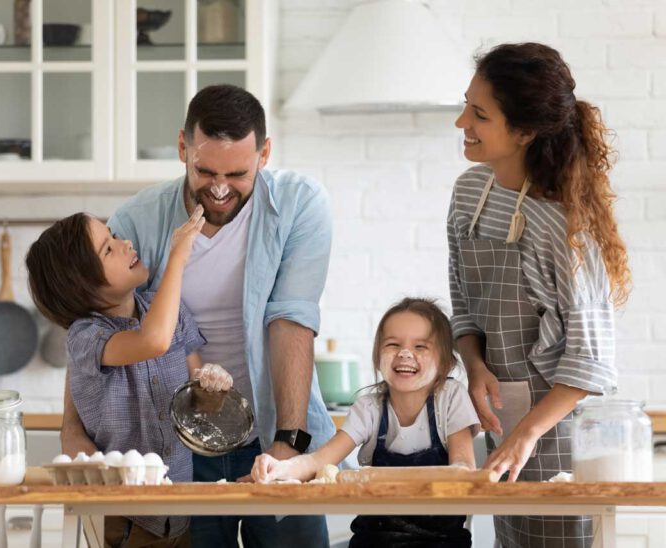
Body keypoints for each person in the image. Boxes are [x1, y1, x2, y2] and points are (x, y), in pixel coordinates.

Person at [60, 84, 334, 547]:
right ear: (183, 148)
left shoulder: (299, 205)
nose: (220, 188)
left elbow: (291, 320)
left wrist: (288, 442)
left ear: (265, 154)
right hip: (179, 447)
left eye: (238, 173)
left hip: (277, 432)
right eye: (205, 171)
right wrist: (71, 429)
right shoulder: (137, 221)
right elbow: (95, 326)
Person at [448, 42, 631, 547]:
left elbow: (591, 360)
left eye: (480, 114)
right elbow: (462, 304)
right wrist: (475, 366)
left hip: (558, 437)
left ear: (524, 132)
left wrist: (525, 434)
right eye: (466, 105)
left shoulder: (561, 226)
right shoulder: (468, 194)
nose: (462, 122)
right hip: (501, 421)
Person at [25, 206, 234, 547]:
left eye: (115, 236)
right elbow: (152, 342)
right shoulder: (86, 338)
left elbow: (198, 404)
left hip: (180, 512)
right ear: (82, 285)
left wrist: (212, 387)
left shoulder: (172, 312)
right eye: (108, 249)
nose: (126, 244)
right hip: (124, 520)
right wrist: (178, 257)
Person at [252, 298, 480, 548]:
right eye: (393, 344)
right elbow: (319, 460)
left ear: (446, 363)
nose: (405, 353)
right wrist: (279, 468)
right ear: (377, 356)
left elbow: (463, 469)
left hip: (442, 541)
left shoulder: (451, 398)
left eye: (420, 346)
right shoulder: (370, 408)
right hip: (375, 540)